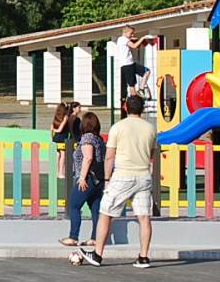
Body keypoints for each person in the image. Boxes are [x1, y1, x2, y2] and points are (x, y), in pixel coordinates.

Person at [77, 94, 158, 268]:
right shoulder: (150, 128)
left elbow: (109, 157)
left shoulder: (118, 127)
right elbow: (151, 154)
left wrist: (107, 179)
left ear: (125, 107)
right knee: (144, 217)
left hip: (123, 175)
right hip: (144, 175)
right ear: (142, 109)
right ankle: (143, 257)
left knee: (105, 213)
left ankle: (97, 254)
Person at [61, 111, 105, 248]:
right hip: (98, 179)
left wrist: (82, 177)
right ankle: (95, 238)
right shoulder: (99, 139)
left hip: (88, 178)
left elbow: (88, 158)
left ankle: (73, 236)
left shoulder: (87, 138)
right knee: (95, 208)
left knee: (74, 205)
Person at [113, 26, 155, 98]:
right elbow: (134, 46)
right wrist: (142, 38)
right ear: (125, 33)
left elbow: (132, 39)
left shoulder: (124, 39)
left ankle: (141, 89)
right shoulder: (122, 39)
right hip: (127, 65)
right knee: (132, 85)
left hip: (131, 63)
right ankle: (134, 100)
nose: (132, 35)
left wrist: (138, 39)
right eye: (131, 33)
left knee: (147, 71)